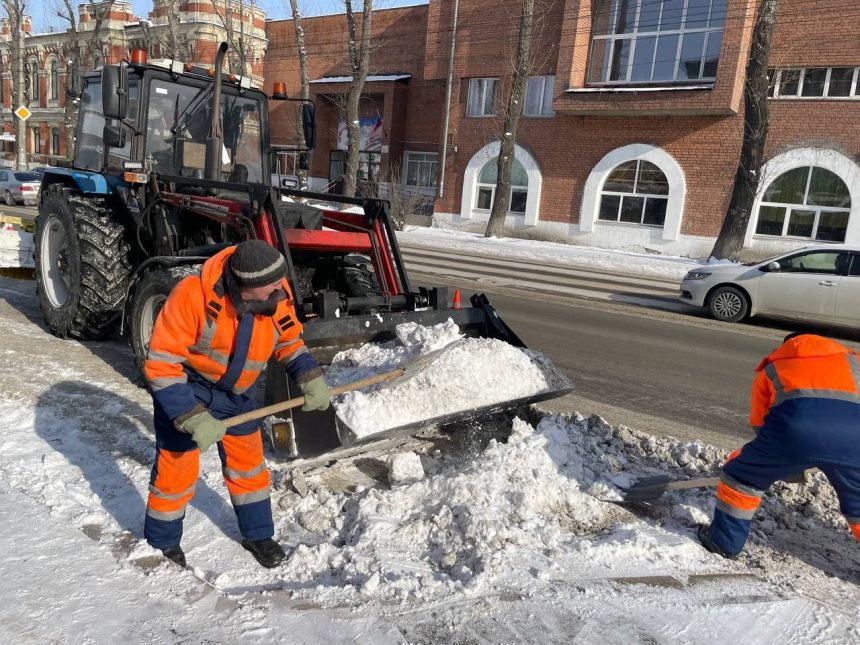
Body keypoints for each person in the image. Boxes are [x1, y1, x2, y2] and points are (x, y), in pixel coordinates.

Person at [142, 240, 331, 568]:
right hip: (189, 390)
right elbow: (161, 362)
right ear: (246, 287)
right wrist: (191, 416)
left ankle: (258, 535)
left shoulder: (276, 294)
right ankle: (162, 544)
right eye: (272, 285)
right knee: (177, 469)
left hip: (241, 396)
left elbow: (288, 340)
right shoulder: (192, 296)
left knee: (249, 467)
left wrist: (309, 375)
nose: (282, 289)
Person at [698, 332, 860, 558]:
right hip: (855, 438)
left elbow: (760, 421)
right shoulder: (853, 361)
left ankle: (723, 543)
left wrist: (782, 461)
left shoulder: (773, 367)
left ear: (787, 346)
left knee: (740, 477)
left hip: (793, 433)